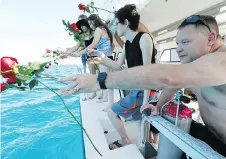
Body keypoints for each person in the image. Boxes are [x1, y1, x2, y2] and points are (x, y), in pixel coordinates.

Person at [60, 15, 226, 156]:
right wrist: (158, 105)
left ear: (211, 38)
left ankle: (129, 140)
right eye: (177, 44)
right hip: (213, 136)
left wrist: (99, 81)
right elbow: (175, 82)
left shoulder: (221, 60)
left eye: (185, 42)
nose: (178, 49)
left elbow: (169, 77)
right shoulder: (128, 45)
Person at [85, 4, 156, 149]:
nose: (115, 27)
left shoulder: (144, 39)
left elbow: (148, 72)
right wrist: (98, 56)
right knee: (123, 113)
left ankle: (125, 140)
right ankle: (143, 136)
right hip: (136, 90)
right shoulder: (127, 44)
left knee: (112, 112)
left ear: (126, 23)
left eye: (117, 23)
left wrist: (146, 102)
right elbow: (116, 66)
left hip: (145, 91)